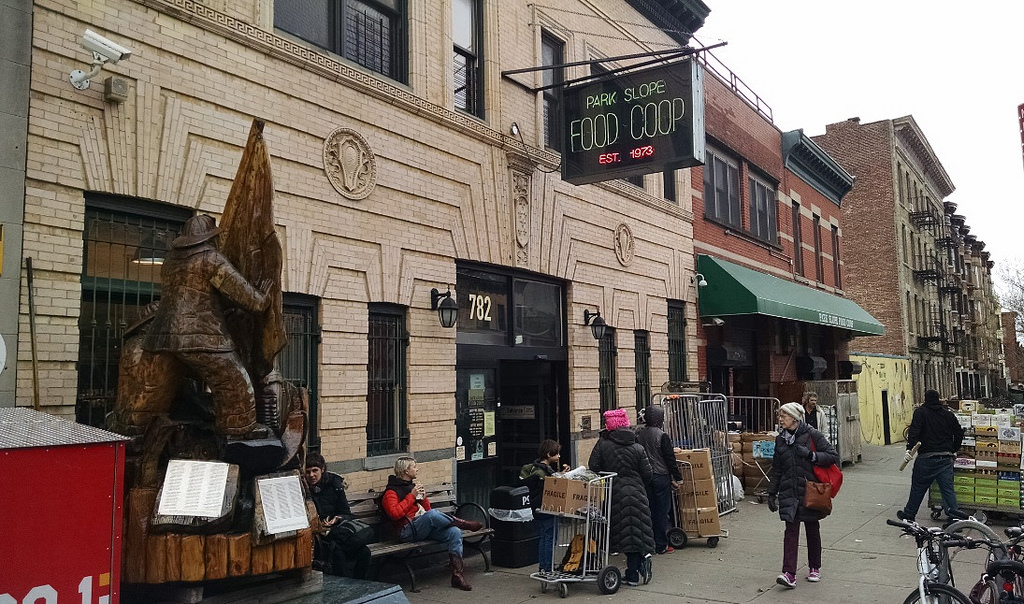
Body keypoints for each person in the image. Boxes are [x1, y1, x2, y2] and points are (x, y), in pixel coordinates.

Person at [139, 214, 273, 437]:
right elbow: (250, 300)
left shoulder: (170, 262)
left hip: (161, 337)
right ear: (210, 238)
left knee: (155, 392)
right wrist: (264, 297)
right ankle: (240, 429)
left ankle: (138, 430)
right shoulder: (210, 259)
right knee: (234, 382)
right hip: (202, 336)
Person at [381, 456, 483, 591]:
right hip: (406, 531)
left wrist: (423, 498)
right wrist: (411, 496)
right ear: (406, 470)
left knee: (454, 533)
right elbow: (394, 514)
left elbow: (427, 510)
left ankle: (457, 575)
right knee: (433, 515)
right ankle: (463, 524)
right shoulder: (391, 492)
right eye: (414, 467)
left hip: (422, 528)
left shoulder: (412, 487)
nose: (417, 469)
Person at [768, 402, 839, 588]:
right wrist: (771, 492)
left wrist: (811, 455)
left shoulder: (812, 434)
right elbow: (777, 468)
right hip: (789, 492)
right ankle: (789, 573)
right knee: (790, 532)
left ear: (794, 417)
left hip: (810, 492)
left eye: (783, 415)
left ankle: (815, 567)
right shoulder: (780, 439)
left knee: (812, 530)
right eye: (780, 415)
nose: (780, 419)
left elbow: (832, 455)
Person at [588, 409, 655, 586]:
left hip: (613, 492)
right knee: (634, 532)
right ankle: (634, 571)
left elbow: (593, 465)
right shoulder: (638, 447)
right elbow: (648, 474)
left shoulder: (603, 444)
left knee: (613, 531)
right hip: (637, 493)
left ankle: (607, 569)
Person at [897, 389, 965, 523]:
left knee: (918, 487)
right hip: (945, 458)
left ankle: (909, 514)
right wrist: (954, 449)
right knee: (947, 490)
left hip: (926, 458)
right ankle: (954, 518)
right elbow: (959, 433)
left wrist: (909, 449)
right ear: (939, 399)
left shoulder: (920, 413)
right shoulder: (948, 415)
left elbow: (914, 432)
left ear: (925, 399)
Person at [304, 453, 371, 579]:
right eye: (308, 472)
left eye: (315, 471)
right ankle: (345, 587)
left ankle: (360, 584)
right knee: (337, 553)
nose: (311, 475)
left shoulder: (334, 486)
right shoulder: (304, 490)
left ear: (322, 469)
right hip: (319, 537)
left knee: (364, 552)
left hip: (339, 531)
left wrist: (338, 519)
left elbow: (346, 512)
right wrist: (319, 524)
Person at [637, 405, 683, 555]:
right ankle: (661, 544)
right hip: (661, 476)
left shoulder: (640, 434)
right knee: (662, 512)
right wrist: (678, 478)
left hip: (645, 476)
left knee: (648, 510)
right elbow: (669, 459)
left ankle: (648, 543)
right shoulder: (662, 435)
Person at [520, 439, 570, 573]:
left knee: (543, 537)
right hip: (547, 508)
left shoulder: (535, 469)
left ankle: (543, 566)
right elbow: (551, 486)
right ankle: (548, 567)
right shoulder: (544, 472)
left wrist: (561, 474)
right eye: (556, 453)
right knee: (550, 538)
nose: (559, 456)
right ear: (549, 454)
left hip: (537, 509)